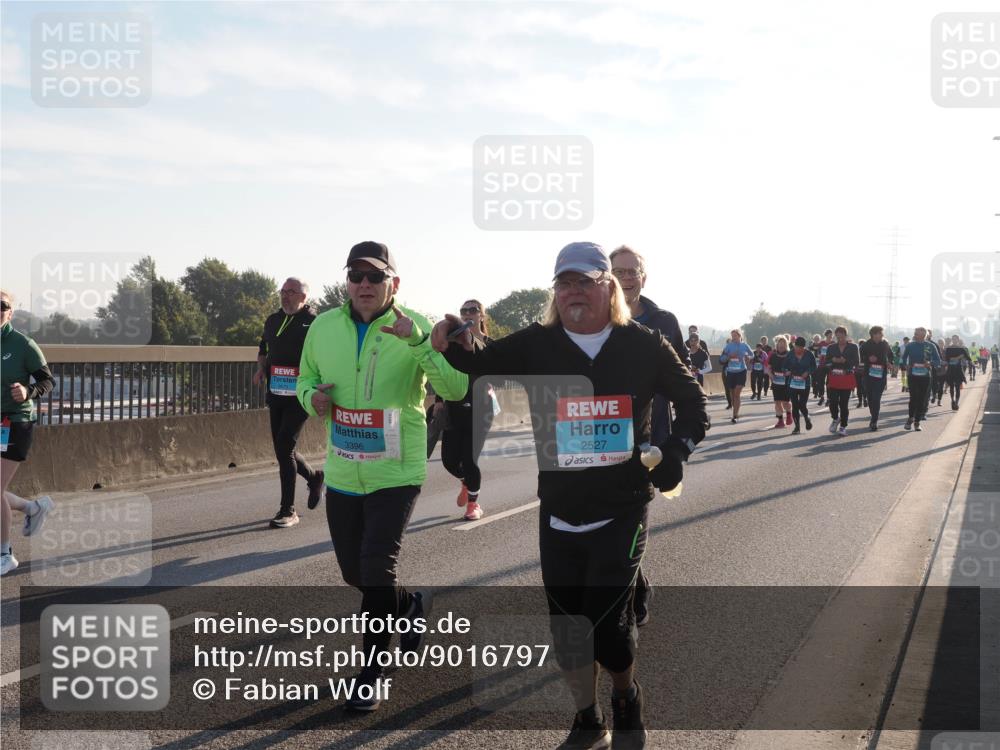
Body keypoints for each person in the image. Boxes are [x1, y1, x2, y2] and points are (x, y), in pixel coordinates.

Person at [432, 242, 709, 750]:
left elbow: (695, 404)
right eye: (564, 283)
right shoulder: (536, 343)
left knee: (609, 629)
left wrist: (676, 452)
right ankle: (588, 719)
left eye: (585, 281)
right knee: (567, 632)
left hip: (623, 504)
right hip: (557, 509)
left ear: (609, 286)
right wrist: (448, 339)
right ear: (554, 292)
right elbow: (477, 366)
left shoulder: (643, 344)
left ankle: (626, 698)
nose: (574, 292)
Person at [296, 242, 469, 711]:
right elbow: (304, 378)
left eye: (375, 277)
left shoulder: (415, 326)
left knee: (376, 569)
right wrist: (311, 397)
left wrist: (417, 342)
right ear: (347, 281)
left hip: (397, 470)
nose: (365, 285)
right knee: (356, 573)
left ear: (394, 282)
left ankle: (370, 673)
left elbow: (455, 386)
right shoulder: (325, 327)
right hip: (345, 469)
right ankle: (410, 605)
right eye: (356, 276)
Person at [610, 245, 692, 630]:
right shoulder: (597, 318)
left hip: (650, 438)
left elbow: (684, 381)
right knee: (607, 519)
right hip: (604, 435)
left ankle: (633, 592)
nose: (627, 277)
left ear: (644, 277)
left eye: (633, 271)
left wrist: (677, 441)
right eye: (619, 271)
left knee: (629, 518)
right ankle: (635, 584)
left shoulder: (664, 321)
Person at [254, 277, 324, 528]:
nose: (285, 296)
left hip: (300, 394)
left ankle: (288, 510)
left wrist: (320, 385)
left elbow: (324, 355)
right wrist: (261, 369)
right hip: (276, 392)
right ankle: (315, 476)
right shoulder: (272, 320)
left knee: (285, 445)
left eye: (292, 292)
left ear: (304, 297)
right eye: (283, 291)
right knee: (284, 450)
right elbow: (263, 348)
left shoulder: (314, 323)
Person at [1, 291, 56, 575]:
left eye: (2, 306)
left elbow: (48, 381)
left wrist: (28, 391)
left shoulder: (23, 344)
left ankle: (5, 554)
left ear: (11, 313)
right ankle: (33, 508)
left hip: (16, 421)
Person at [439, 299, 495, 521]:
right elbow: (444, 373)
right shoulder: (454, 343)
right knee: (449, 461)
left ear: (482, 315)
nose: (468, 313)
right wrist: (440, 400)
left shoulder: (491, 344)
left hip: (481, 408)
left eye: (473, 310)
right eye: (463, 311)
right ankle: (466, 481)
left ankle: (473, 504)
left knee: (470, 459)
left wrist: (477, 341)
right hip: (455, 406)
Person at [900, 327, 941, 431]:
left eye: (917, 333)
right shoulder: (910, 345)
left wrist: (930, 363)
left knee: (922, 399)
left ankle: (917, 422)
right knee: (913, 397)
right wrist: (905, 365)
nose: (915, 334)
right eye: (915, 333)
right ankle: (910, 418)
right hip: (912, 375)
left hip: (925, 376)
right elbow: (904, 358)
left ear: (923, 335)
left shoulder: (930, 346)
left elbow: (937, 361)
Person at [824, 326, 860, 436]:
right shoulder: (831, 348)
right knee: (832, 401)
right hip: (834, 378)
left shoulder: (853, 347)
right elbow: (827, 362)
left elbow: (856, 363)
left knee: (844, 404)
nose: (840, 338)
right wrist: (833, 360)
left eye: (841, 336)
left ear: (845, 335)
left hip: (846, 378)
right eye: (837, 336)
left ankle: (843, 426)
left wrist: (846, 361)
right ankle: (835, 418)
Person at [859, 326, 894, 431]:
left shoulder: (885, 344)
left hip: (880, 375)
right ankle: (873, 415)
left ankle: (874, 420)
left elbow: (891, 355)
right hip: (868, 375)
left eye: (882, 333)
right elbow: (861, 357)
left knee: (876, 397)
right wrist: (868, 358)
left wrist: (890, 362)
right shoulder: (865, 345)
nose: (881, 335)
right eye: (879, 333)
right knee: (870, 398)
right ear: (873, 334)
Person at [785, 336, 817, 434]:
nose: (797, 349)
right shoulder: (790, 354)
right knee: (795, 405)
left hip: (805, 383)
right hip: (793, 382)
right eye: (796, 347)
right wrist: (787, 371)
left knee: (802, 404)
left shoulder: (809, 354)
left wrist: (807, 372)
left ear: (804, 347)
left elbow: (814, 367)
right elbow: (784, 366)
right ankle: (797, 427)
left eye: (800, 348)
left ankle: (807, 418)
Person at [720, 330, 753, 423]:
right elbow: (721, 358)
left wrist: (748, 357)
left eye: (735, 336)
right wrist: (729, 356)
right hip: (731, 372)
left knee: (737, 393)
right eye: (732, 336)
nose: (733, 338)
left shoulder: (744, 345)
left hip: (741, 371)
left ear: (739, 336)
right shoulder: (728, 346)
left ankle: (735, 415)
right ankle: (735, 413)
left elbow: (752, 354)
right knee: (732, 393)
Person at [765, 335, 793, 428]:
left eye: (783, 343)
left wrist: (789, 372)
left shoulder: (790, 355)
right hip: (776, 382)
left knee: (785, 402)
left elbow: (795, 367)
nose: (781, 345)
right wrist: (771, 375)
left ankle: (789, 414)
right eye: (780, 343)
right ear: (777, 345)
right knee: (777, 402)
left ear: (786, 345)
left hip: (786, 383)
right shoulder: (773, 355)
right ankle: (780, 420)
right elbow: (768, 368)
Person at [943, 335, 971, 410]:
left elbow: (968, 357)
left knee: (958, 387)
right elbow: (946, 358)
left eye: (956, 339)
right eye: (953, 339)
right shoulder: (948, 349)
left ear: (958, 340)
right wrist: (956, 357)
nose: (954, 340)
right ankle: (952, 400)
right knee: (951, 387)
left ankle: (957, 403)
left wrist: (959, 357)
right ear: (952, 340)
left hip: (958, 369)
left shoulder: (961, 348)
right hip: (951, 369)